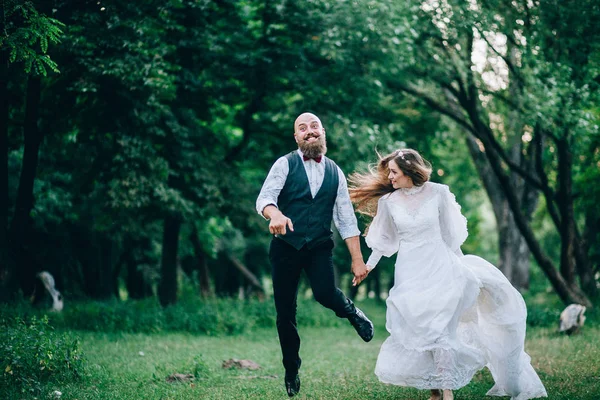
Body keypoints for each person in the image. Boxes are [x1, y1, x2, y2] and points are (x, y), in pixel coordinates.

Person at [349, 149, 547, 400]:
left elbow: (451, 236)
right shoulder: (389, 203)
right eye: (389, 172)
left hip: (440, 265)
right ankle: (434, 391)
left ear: (410, 172)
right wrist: (368, 266)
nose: (390, 177)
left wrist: (462, 268)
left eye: (395, 172)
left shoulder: (439, 193)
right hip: (410, 271)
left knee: (440, 328)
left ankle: (447, 392)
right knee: (421, 329)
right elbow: (384, 241)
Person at [256, 112, 374, 397]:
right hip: (285, 245)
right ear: (296, 136)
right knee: (285, 313)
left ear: (322, 131)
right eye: (302, 128)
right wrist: (275, 215)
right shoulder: (285, 163)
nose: (309, 131)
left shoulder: (335, 172)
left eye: (314, 126)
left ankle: (352, 312)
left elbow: (346, 220)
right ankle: (291, 369)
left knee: (324, 292)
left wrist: (358, 260)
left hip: (319, 244)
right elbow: (265, 199)